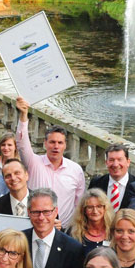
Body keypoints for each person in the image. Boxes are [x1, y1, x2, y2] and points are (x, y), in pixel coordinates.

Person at [15, 96, 85, 225]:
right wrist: (23, 116)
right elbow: (22, 143)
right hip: (37, 225)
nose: (56, 146)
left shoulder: (76, 170)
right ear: (45, 143)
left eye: (60, 143)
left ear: (65, 145)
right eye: (52, 142)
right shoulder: (33, 163)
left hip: (65, 230)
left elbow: (79, 204)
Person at [88, 144, 135, 211]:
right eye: (111, 160)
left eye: (120, 159)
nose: (115, 164)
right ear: (106, 162)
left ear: (128, 162)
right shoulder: (96, 183)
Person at [66, 188, 114, 255]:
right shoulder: (73, 232)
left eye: (99, 206)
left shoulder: (113, 231)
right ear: (84, 210)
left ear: (105, 208)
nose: (95, 211)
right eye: (90, 207)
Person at [0, 158, 31, 227]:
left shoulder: (42, 202)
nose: (13, 178)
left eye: (17, 173)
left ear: (26, 175)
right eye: (8, 176)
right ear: (4, 180)